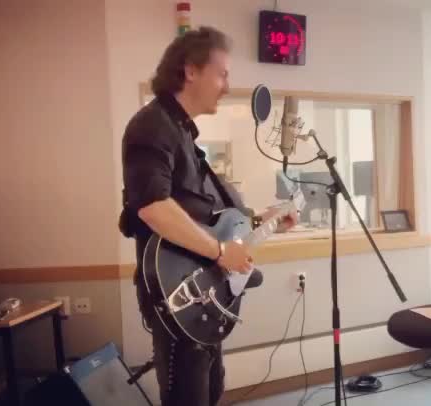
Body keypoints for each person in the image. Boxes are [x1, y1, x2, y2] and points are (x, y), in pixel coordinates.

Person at [118, 26, 296, 406]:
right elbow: (153, 206)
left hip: (203, 295)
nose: (227, 86)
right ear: (190, 70)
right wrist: (220, 252)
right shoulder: (152, 125)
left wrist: (264, 220)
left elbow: (207, 217)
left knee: (210, 393)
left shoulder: (183, 133)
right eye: (222, 74)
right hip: (179, 295)